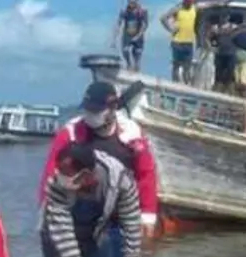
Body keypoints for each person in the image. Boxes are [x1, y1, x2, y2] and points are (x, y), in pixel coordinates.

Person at [38, 81, 159, 240]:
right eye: (88, 109)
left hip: (118, 220)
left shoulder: (131, 135)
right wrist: (46, 214)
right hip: (78, 217)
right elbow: (50, 174)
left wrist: (147, 215)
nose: (90, 115)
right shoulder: (70, 133)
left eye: (96, 111)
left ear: (112, 109)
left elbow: (146, 174)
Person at [41, 142, 144, 257]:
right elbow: (63, 234)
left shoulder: (120, 179)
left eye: (66, 173)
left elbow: (131, 221)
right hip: (57, 235)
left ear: (87, 175)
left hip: (96, 232)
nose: (60, 176)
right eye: (59, 170)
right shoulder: (56, 185)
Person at [161, 0, 198, 84]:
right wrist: (170, 29)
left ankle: (186, 85)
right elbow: (163, 18)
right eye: (188, 2)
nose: (190, 4)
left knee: (187, 67)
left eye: (191, 2)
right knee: (176, 66)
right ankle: (175, 84)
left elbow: (208, 4)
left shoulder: (194, 8)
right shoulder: (177, 9)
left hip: (189, 42)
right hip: (177, 42)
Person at [112, 0, 148, 72]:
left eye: (133, 1)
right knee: (125, 51)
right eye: (129, 1)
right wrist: (114, 39)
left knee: (137, 56)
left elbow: (144, 26)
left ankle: (136, 69)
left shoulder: (142, 12)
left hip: (138, 35)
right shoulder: (124, 12)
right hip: (127, 35)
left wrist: (138, 36)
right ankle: (129, 65)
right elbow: (118, 24)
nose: (131, 3)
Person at [208, 18, 239, 94]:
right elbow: (210, 39)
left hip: (231, 53)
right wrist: (212, 47)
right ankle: (217, 91)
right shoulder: (216, 27)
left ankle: (230, 92)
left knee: (230, 73)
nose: (224, 18)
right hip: (220, 54)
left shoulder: (234, 26)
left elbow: (241, 36)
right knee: (218, 73)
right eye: (222, 16)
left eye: (226, 16)